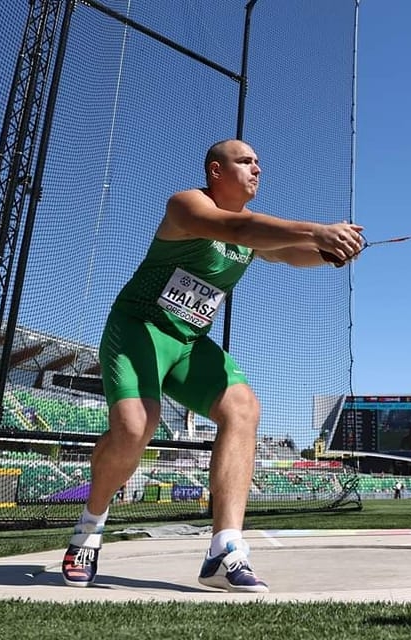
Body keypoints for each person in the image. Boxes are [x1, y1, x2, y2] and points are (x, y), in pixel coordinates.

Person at [60, 139, 365, 592]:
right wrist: (318, 230)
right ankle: (89, 526)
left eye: (259, 162)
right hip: (140, 327)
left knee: (243, 408)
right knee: (134, 427)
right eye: (246, 161)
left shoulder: (249, 235)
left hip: (188, 341)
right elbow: (241, 230)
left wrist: (327, 253)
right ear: (216, 171)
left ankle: (224, 551)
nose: (257, 169)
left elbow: (283, 251)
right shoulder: (187, 205)